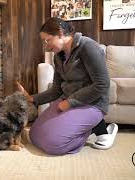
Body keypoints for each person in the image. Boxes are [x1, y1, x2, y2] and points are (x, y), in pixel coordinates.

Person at [17, 17, 118, 155]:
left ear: (60, 33)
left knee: (53, 144)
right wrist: (31, 98)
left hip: (92, 103)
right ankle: (88, 127)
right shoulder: (58, 57)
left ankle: (94, 128)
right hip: (67, 102)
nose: (46, 46)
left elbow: (102, 84)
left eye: (47, 40)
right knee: (35, 134)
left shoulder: (87, 46)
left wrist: (70, 103)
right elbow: (56, 89)